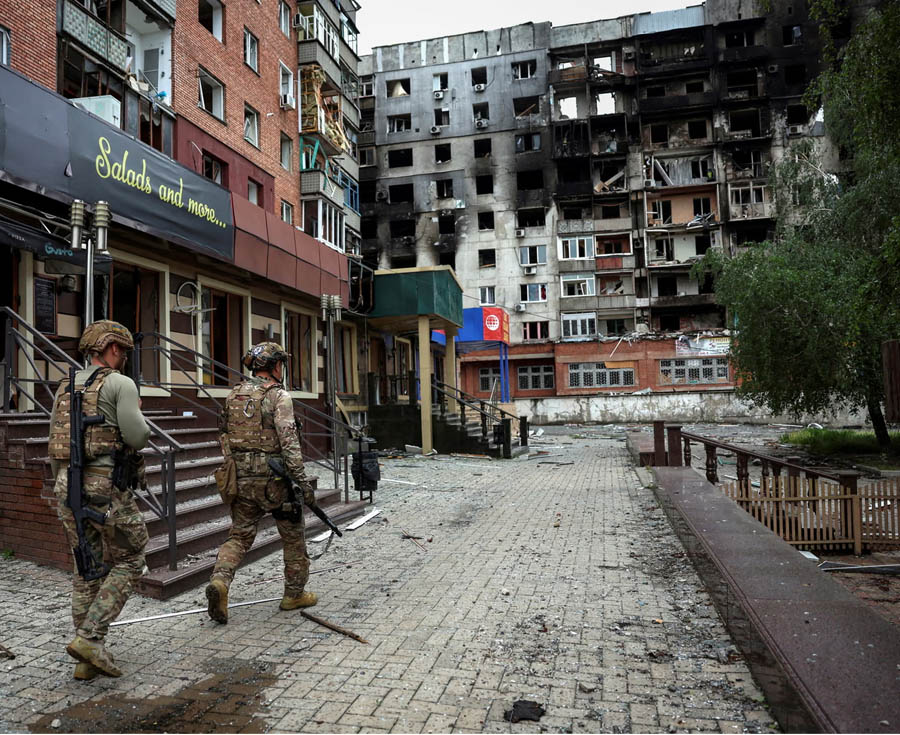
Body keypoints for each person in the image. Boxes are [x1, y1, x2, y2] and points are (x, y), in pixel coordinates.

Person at [48, 320, 151, 680]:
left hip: (67, 484)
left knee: (86, 566)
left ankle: (85, 661)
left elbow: (55, 443)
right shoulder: (120, 383)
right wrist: (138, 411)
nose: (124, 358)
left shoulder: (64, 386)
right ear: (111, 348)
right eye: (123, 351)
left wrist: (63, 483)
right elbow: (137, 437)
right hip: (105, 486)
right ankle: (90, 638)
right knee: (132, 558)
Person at [205, 342, 318, 624]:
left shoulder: (234, 395)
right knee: (293, 535)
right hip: (276, 481)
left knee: (239, 536)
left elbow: (224, 436)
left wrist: (237, 467)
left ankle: (220, 581)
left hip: (242, 480)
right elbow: (289, 443)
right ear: (276, 366)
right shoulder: (279, 396)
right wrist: (303, 483)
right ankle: (294, 594)